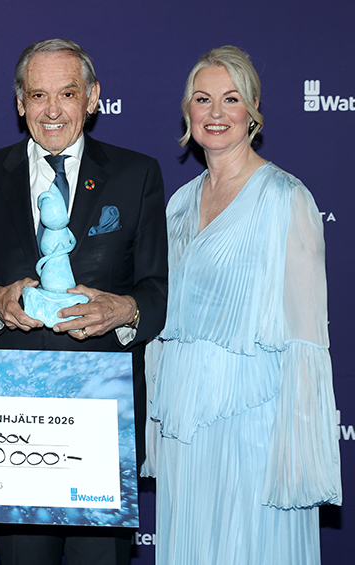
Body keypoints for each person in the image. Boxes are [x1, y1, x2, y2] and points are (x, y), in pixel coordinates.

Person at [0, 38, 168, 565]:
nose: (52, 110)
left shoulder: (137, 174)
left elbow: (157, 290)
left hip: (103, 416)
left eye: (67, 94)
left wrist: (123, 310)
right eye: (38, 95)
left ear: (92, 98)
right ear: (20, 103)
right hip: (12, 424)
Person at [142, 45, 342, 564]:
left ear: (252, 111)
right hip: (185, 423)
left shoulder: (285, 198)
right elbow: (164, 325)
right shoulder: (178, 204)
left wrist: (298, 458)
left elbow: (306, 339)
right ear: (187, 111)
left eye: (230, 99)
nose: (215, 113)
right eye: (202, 99)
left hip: (255, 426)